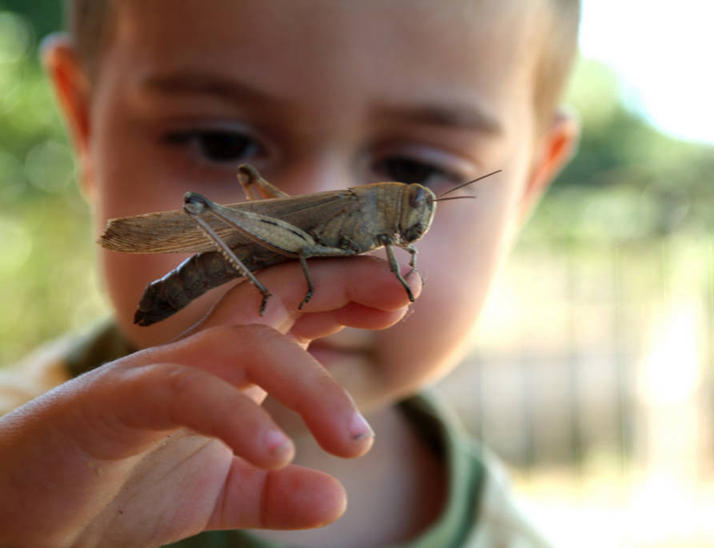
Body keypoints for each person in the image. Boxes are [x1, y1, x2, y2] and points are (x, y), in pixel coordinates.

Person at [0, 0, 580, 546]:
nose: (312, 186)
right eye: (221, 141)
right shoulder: (16, 440)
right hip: (248, 239)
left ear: (531, 182)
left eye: (416, 166)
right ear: (83, 126)